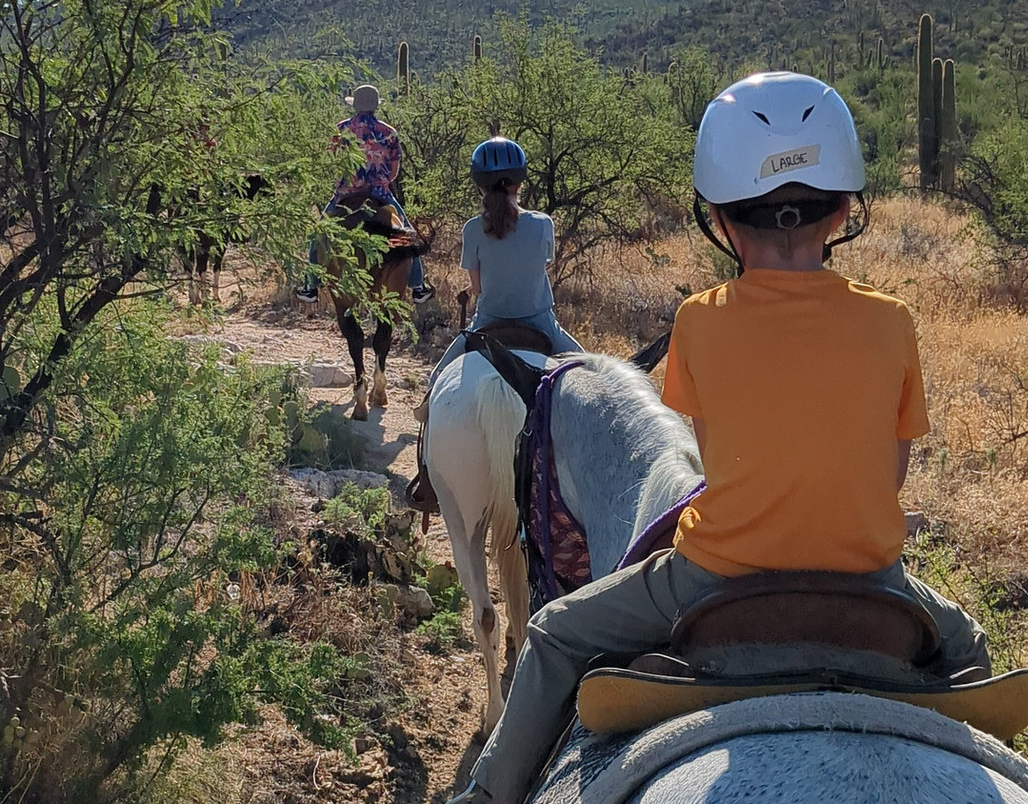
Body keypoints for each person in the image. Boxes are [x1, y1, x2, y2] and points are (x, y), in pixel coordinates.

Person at [447, 72, 990, 804]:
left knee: (552, 632)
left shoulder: (700, 319)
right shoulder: (893, 320)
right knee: (971, 648)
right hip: (873, 578)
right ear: (840, 214)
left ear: (721, 219)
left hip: (713, 576)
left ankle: (486, 796)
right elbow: (888, 475)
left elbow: (712, 457)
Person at [428, 135, 582, 382]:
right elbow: (533, 269)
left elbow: (478, 288)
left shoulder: (472, 228)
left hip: (488, 322)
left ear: (479, 185)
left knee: (437, 379)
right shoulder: (543, 224)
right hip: (540, 323)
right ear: (519, 183)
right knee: (589, 373)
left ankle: (425, 416)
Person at [295, 84, 433, 304]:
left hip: (345, 194)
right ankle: (418, 286)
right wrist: (382, 182)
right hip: (380, 194)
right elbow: (394, 168)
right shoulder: (389, 133)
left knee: (318, 234)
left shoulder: (340, 130)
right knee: (407, 236)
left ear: (355, 105)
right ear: (376, 106)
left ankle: (311, 285)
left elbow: (333, 161)